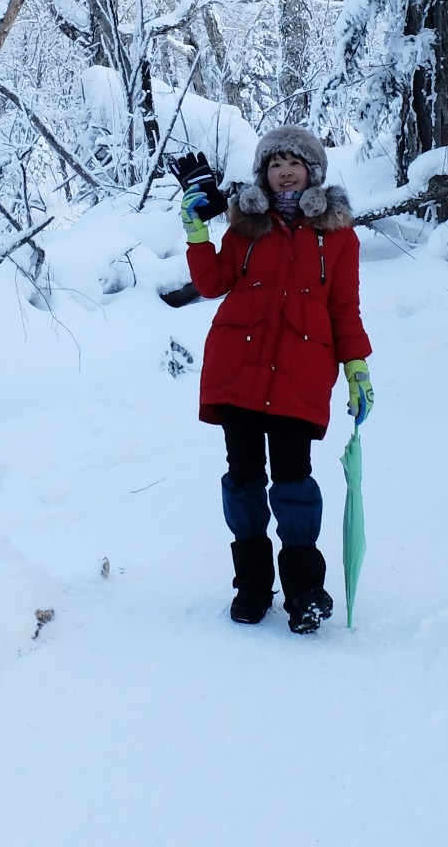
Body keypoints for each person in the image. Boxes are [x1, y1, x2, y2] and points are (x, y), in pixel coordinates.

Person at [179, 125, 374, 633]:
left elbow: (344, 307)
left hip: (298, 376)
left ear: (314, 171)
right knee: (243, 479)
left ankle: (305, 590)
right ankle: (251, 586)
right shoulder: (245, 226)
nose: (284, 171)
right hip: (238, 370)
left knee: (293, 482)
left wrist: (356, 365)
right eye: (274, 164)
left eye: (294, 162)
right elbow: (211, 283)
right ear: (262, 174)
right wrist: (197, 234)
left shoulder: (338, 236)